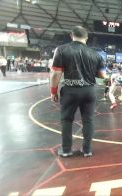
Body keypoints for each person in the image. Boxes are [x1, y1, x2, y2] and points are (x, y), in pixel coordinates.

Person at [50, 26, 106, 158]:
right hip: (89, 91)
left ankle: (66, 150)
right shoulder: (96, 54)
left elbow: (55, 74)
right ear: (86, 37)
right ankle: (87, 150)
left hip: (70, 91)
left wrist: (53, 91)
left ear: (71, 35)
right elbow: (102, 75)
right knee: (88, 120)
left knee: (67, 120)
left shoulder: (61, 50)